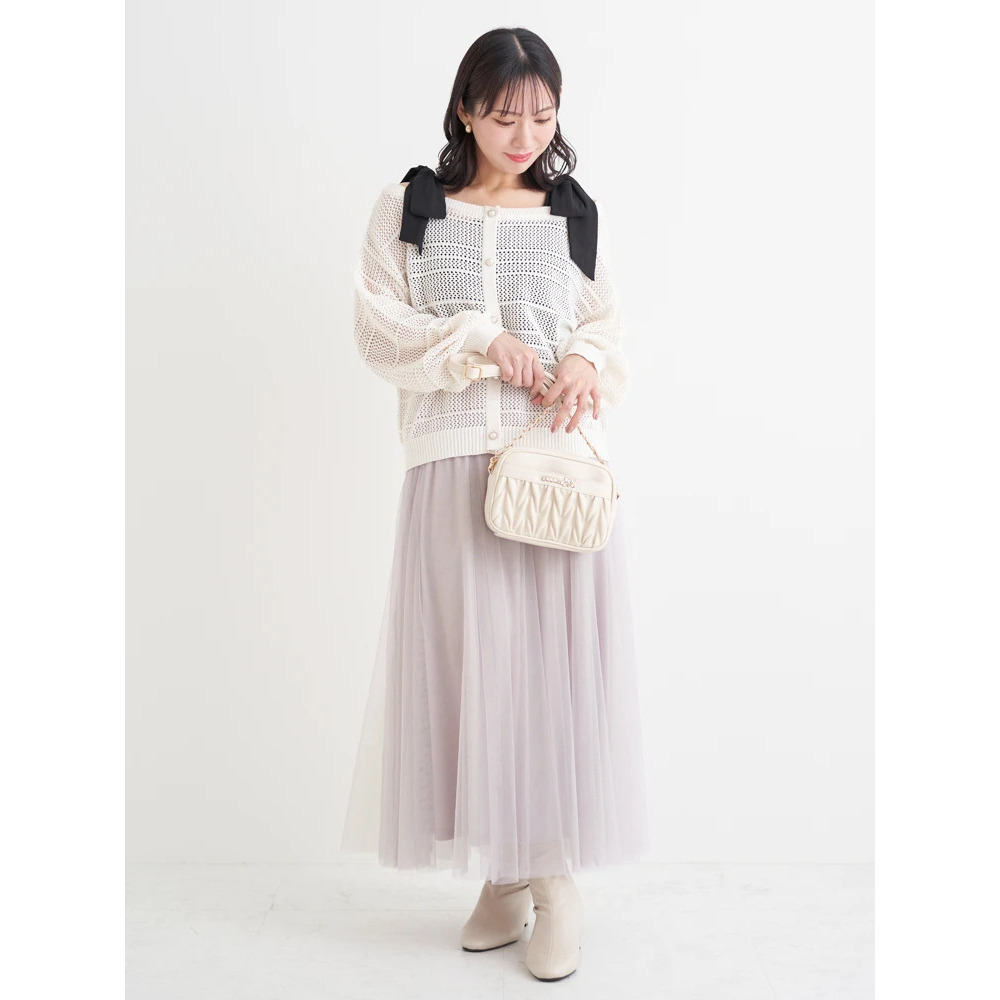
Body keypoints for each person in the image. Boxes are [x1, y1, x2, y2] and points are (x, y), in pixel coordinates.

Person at [339, 26, 649, 982]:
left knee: (544, 681)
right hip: (448, 464)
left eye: (544, 116)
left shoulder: (572, 213)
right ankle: (506, 876)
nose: (526, 136)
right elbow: (379, 328)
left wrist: (583, 360)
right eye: (507, 115)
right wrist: (481, 338)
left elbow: (606, 322)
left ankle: (554, 883)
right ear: (466, 109)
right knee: (469, 674)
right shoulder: (409, 208)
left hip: (551, 472)